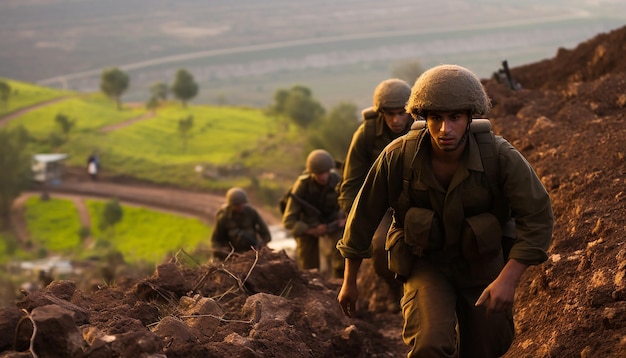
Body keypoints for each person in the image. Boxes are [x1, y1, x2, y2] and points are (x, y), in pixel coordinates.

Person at [336, 64, 554, 357]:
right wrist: (350, 281)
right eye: (435, 118)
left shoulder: (499, 156)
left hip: (482, 265)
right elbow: (363, 215)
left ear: (469, 117)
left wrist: (508, 279)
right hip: (426, 263)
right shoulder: (399, 155)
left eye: (455, 118)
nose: (444, 129)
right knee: (429, 345)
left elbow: (537, 216)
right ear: (423, 118)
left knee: (487, 347)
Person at [337, 78, 413, 304]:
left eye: (401, 113)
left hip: (418, 197)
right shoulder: (366, 134)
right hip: (380, 204)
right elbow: (350, 184)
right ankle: (393, 286)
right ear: (381, 112)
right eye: (390, 114)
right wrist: (359, 220)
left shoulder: (423, 126)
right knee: (381, 248)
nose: (396, 120)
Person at [282, 149, 345, 278]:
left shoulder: (336, 179)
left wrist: (344, 217)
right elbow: (288, 220)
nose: (323, 176)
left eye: (326, 172)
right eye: (319, 173)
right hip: (308, 226)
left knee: (343, 246)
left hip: (333, 222)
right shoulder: (301, 185)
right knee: (309, 268)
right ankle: (312, 284)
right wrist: (311, 230)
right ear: (312, 173)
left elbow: (349, 202)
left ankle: (340, 280)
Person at [211, 187, 272, 260]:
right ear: (231, 204)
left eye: (241, 204)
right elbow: (215, 241)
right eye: (237, 205)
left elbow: (266, 234)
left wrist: (261, 244)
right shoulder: (224, 217)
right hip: (233, 254)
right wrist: (223, 251)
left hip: (252, 251)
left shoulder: (251, 212)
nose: (240, 206)